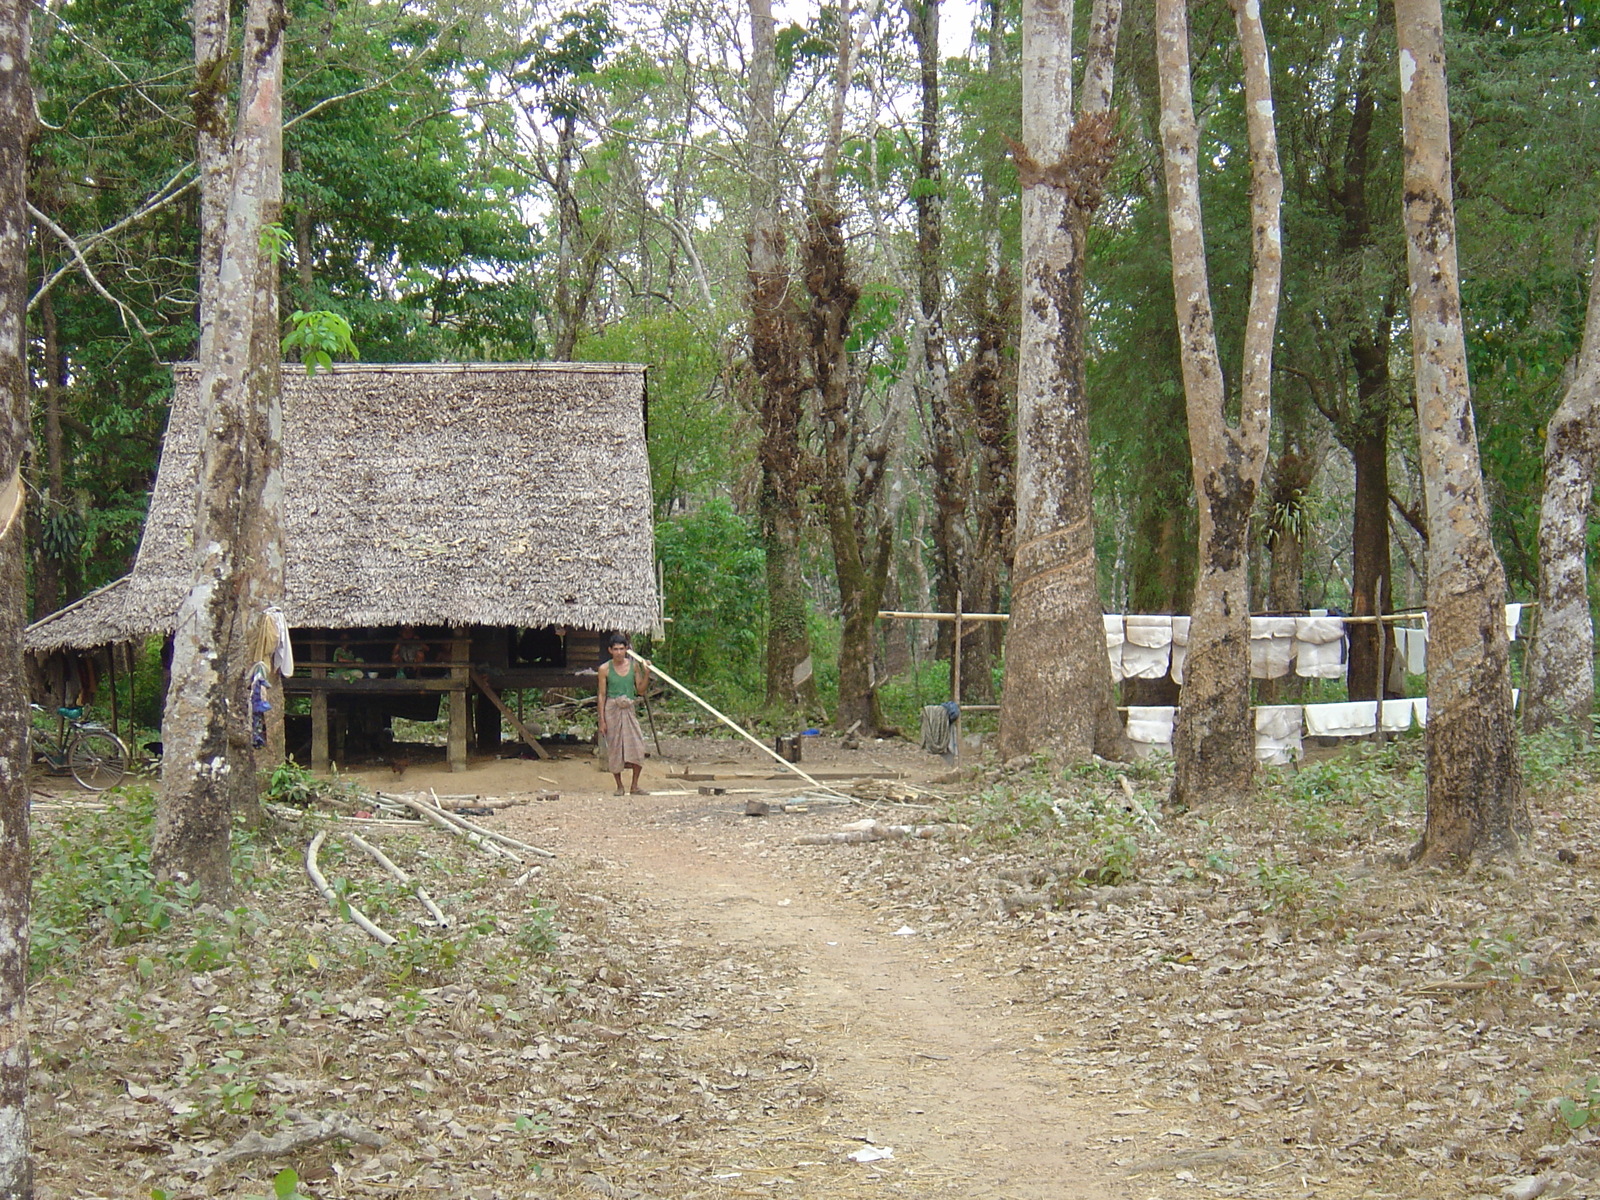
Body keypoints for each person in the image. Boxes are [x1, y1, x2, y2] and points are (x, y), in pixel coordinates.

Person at [597, 633, 650, 796]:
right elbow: (601, 695)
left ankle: (634, 785)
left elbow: (640, 690)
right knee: (615, 748)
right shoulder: (604, 669)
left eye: (622, 649)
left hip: (628, 708)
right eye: (616, 649)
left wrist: (647, 672)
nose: (619, 652)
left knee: (637, 746)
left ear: (626, 649)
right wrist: (602, 720)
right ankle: (619, 786)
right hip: (612, 708)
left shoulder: (633, 666)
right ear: (610, 650)